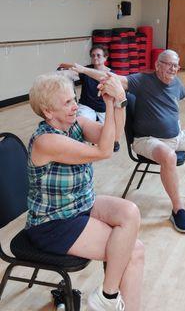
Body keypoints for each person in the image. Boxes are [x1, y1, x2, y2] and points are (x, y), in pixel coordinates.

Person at [73, 50, 185, 234]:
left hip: (177, 137)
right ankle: (178, 209)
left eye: (176, 65)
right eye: (169, 64)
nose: (173, 69)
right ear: (157, 65)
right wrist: (84, 70)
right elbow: (112, 77)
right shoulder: (143, 81)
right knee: (169, 156)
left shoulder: (175, 83)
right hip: (147, 140)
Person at [25, 73, 144, 311]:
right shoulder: (46, 141)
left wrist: (117, 102)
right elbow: (104, 151)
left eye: (74, 99)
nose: (75, 106)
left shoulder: (76, 123)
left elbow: (112, 136)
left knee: (130, 211)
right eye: (67, 103)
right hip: (53, 223)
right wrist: (112, 103)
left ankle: (107, 297)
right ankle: (108, 297)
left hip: (80, 206)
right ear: (49, 112)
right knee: (135, 252)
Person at [76, 44, 121, 152]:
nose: (95, 58)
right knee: (82, 124)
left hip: (103, 108)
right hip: (87, 106)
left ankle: (104, 148)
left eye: (98, 55)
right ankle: (82, 149)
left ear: (105, 57)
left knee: (108, 133)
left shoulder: (111, 74)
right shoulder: (85, 70)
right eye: (93, 55)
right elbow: (72, 74)